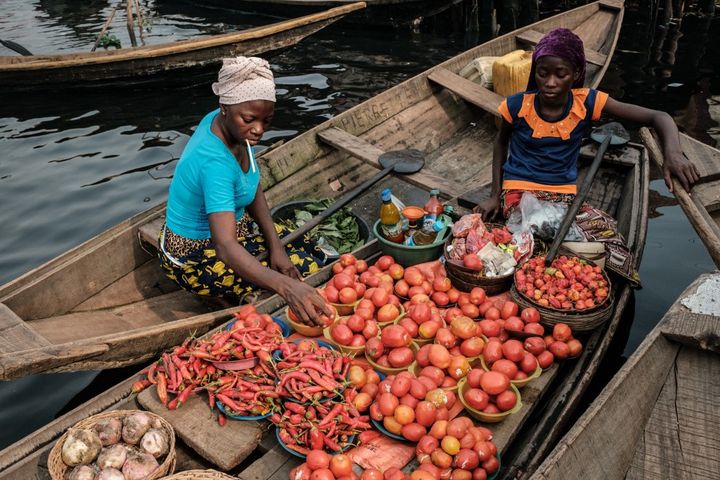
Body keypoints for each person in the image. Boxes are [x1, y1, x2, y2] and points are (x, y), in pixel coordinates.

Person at [474, 28, 700, 282]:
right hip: (517, 192)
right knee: (543, 234)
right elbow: (500, 144)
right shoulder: (516, 105)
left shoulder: (587, 102)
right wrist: (495, 195)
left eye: (561, 75)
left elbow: (659, 117)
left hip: (563, 196)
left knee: (607, 234)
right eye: (542, 73)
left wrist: (673, 152)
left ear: (576, 74)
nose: (550, 83)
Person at [158, 56, 332, 326]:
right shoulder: (214, 162)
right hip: (195, 256)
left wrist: (276, 249)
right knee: (307, 269)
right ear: (224, 107)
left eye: (267, 120)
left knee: (307, 249)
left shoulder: (230, 126)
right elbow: (225, 246)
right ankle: (226, 297)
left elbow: (251, 186)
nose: (259, 129)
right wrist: (286, 287)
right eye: (250, 119)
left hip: (231, 229)